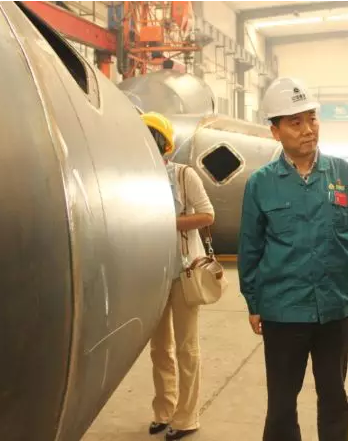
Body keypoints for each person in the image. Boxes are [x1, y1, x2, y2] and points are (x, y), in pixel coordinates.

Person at [237, 77, 348, 441]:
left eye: (312, 118)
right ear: (275, 131)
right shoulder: (261, 183)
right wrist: (254, 302)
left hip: (333, 311)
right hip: (283, 311)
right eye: (296, 122)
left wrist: (343, 292)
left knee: (335, 399)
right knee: (281, 405)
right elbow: (250, 248)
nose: (308, 129)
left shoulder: (343, 174)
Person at [142, 112, 215, 441]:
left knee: (186, 348)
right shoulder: (137, 181)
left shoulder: (184, 176)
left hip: (185, 272)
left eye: (151, 139)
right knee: (159, 348)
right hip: (154, 275)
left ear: (164, 144)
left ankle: (187, 418)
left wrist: (167, 222)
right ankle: (164, 410)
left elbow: (207, 214)